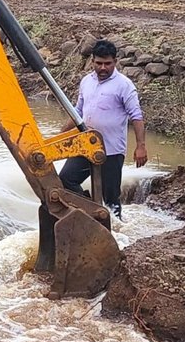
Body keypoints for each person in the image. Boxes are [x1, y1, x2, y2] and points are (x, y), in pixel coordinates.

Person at [58, 39, 148, 218]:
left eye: (107, 63)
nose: (103, 68)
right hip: (86, 145)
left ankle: (115, 230)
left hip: (112, 151)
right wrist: (60, 135)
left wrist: (141, 146)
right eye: (99, 63)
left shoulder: (124, 85)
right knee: (66, 179)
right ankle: (89, 211)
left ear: (115, 62)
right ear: (92, 61)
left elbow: (136, 116)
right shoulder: (86, 81)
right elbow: (78, 112)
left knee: (111, 198)